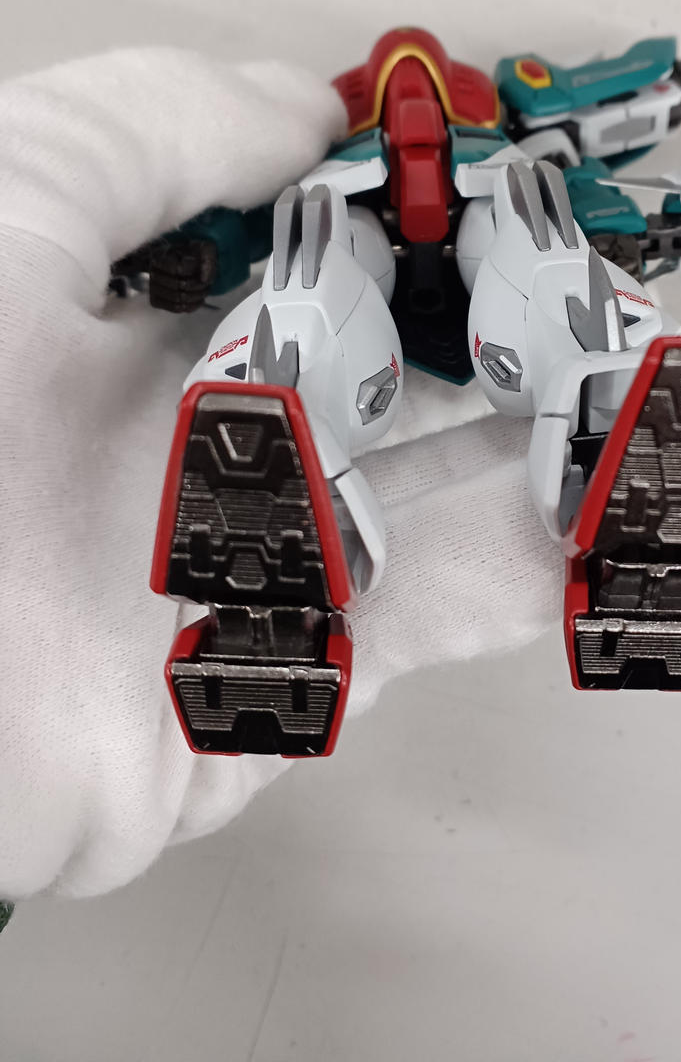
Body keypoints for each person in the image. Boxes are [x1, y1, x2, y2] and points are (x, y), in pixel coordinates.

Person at [0, 48, 556, 902]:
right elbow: (226, 240)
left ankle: (266, 453)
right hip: (400, 237)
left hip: (435, 230)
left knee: (333, 301)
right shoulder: (365, 175)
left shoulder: (488, 162)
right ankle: (612, 407)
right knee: (337, 298)